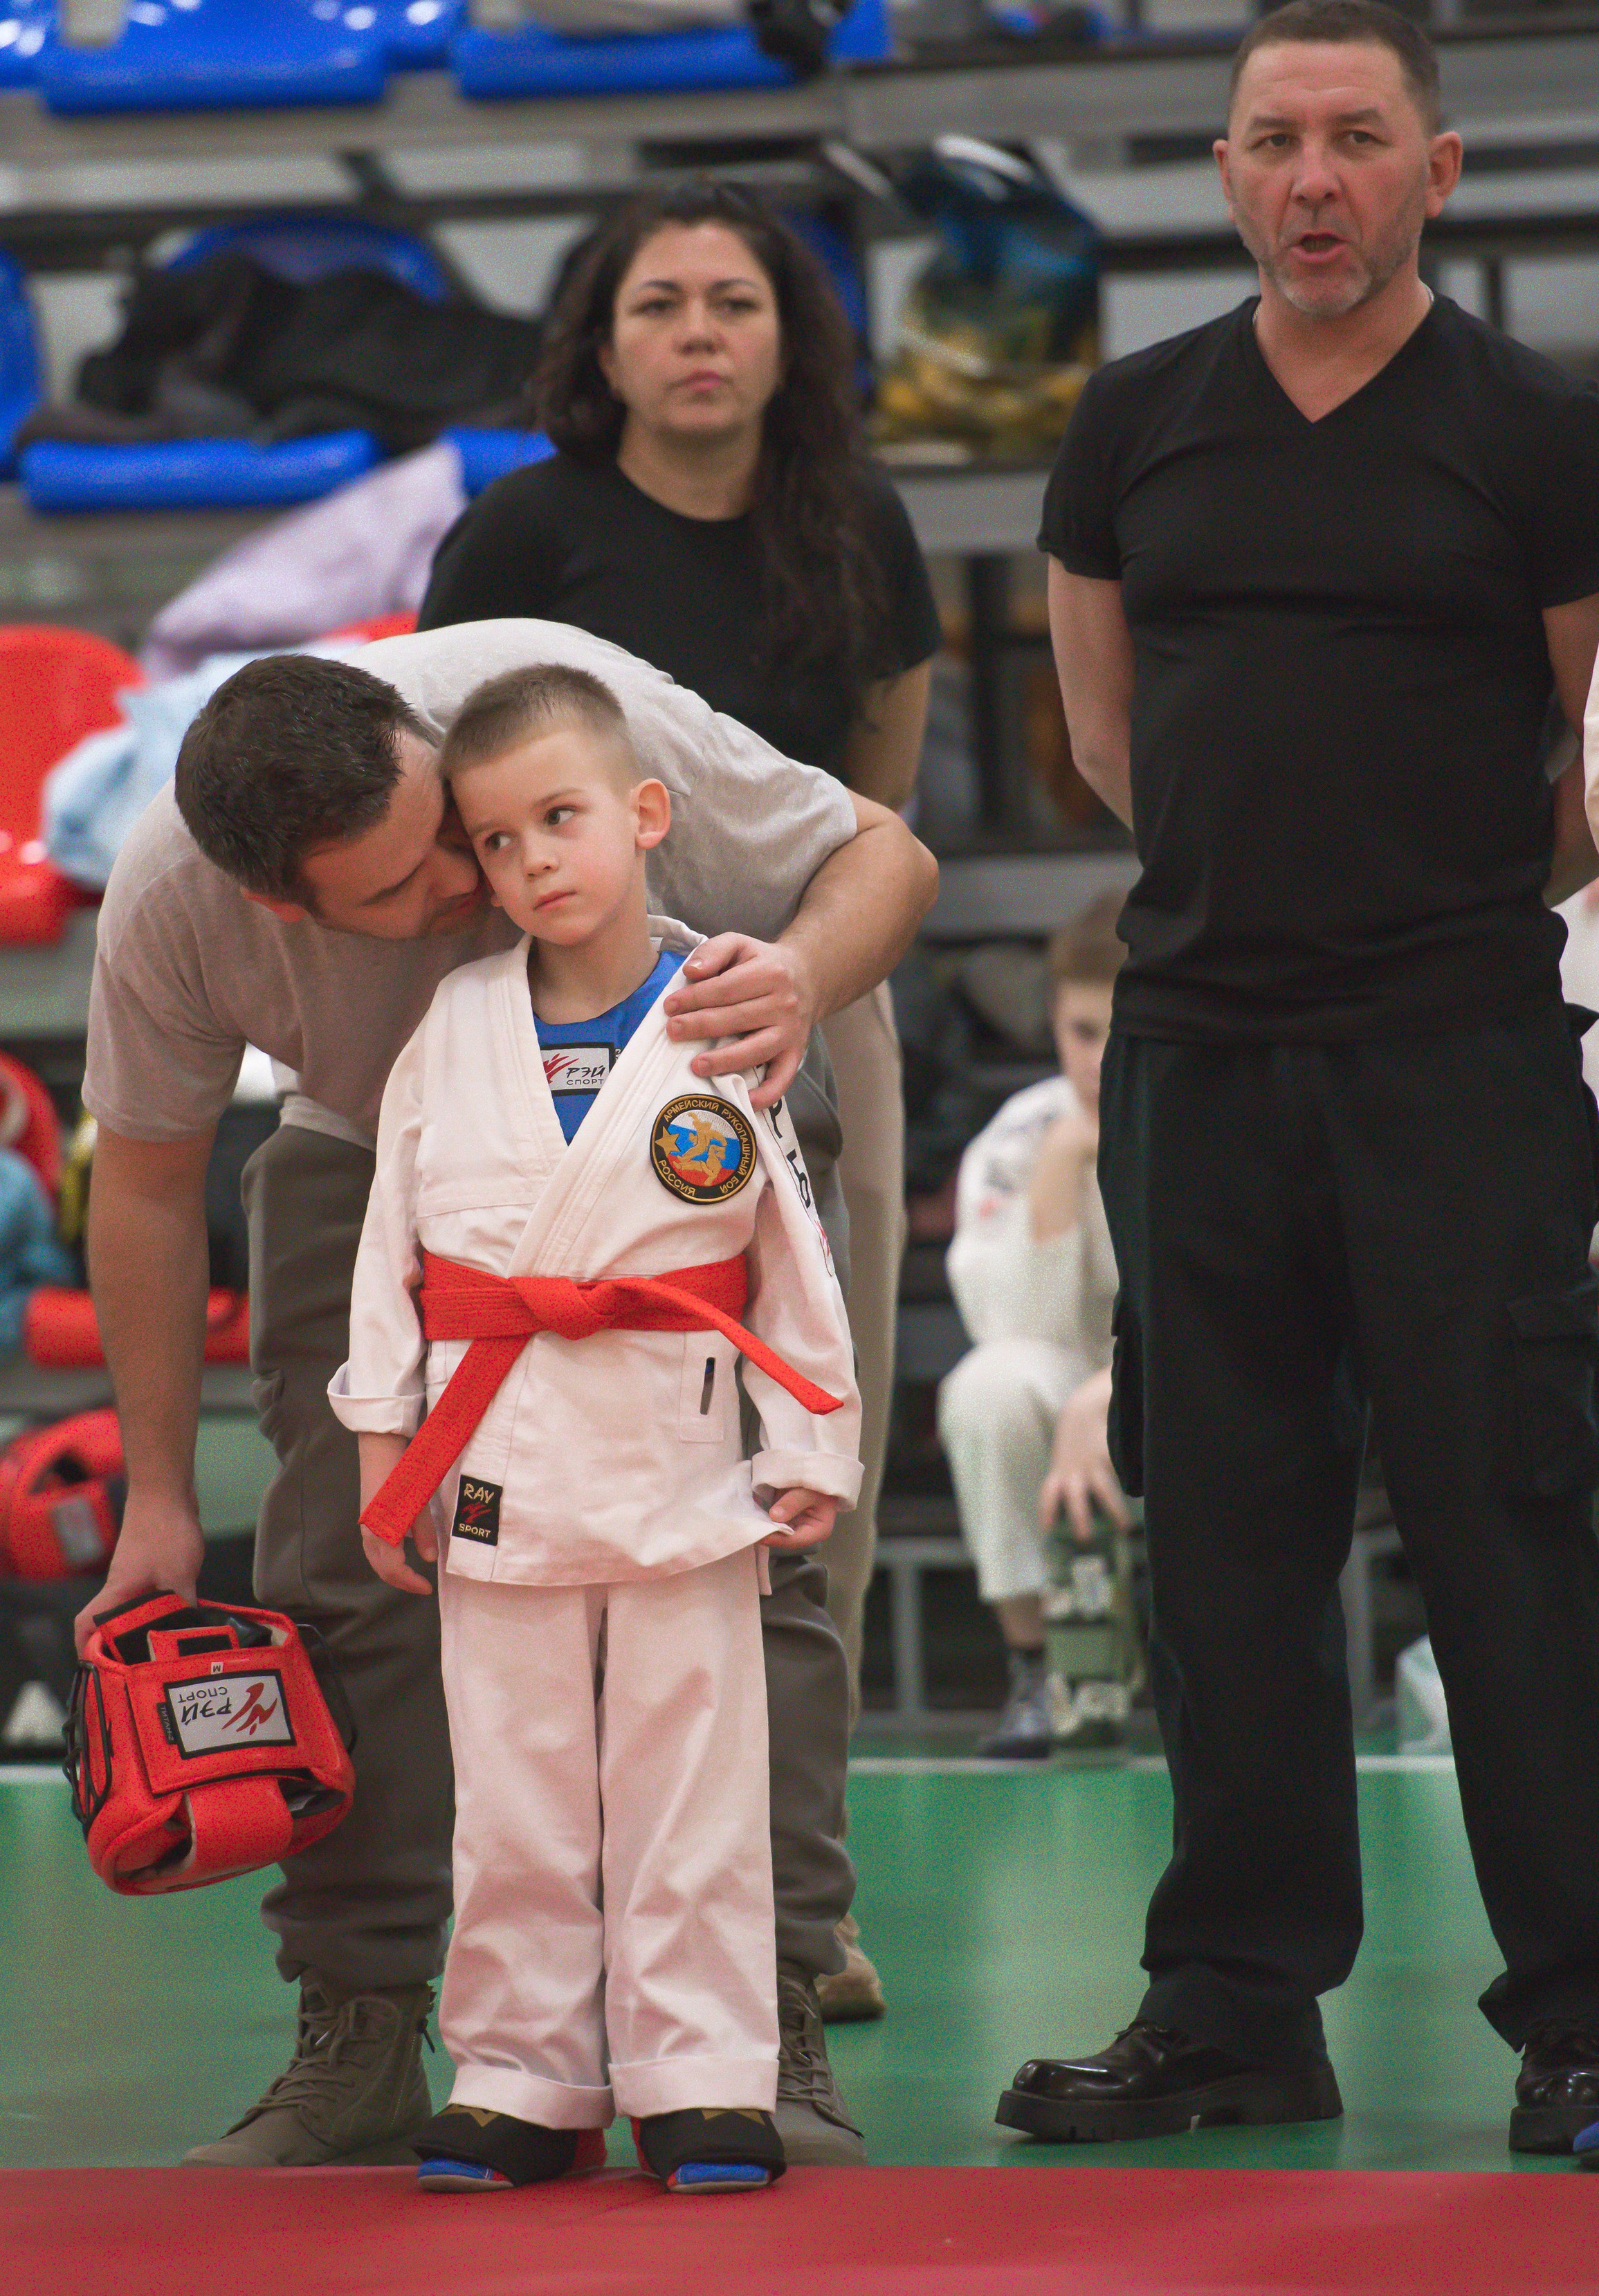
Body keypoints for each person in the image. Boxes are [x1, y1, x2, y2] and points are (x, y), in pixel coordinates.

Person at [71, 617, 936, 2170]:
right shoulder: (182, 905)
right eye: (407, 885)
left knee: (757, 1560)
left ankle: (771, 2004)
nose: (477, 884)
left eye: (454, 832)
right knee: (345, 1562)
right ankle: (363, 2014)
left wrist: (797, 974)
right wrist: (148, 1492)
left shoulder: (553, 710)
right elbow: (141, 1185)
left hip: (684, 1095)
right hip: (378, 1141)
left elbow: (883, 857)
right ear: (284, 904)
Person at [996, 0, 1599, 2156]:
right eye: (1272, 140)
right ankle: (1236, 2001)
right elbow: (1101, 735)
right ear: (1228, 171)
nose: (1311, 177)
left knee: (1508, 1523)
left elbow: (1583, 761)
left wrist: (1418, 908)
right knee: (1221, 1539)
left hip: (1454, 1054)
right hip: (1195, 1049)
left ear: (1435, 170)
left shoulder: (1528, 422)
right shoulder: (1135, 417)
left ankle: (1581, 2011)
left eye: (1356, 137)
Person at [419, 181, 941, 2021]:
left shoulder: (858, 521)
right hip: (560, 1050)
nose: (700, 331)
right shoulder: (523, 527)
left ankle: (799, 1911)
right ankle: (566, 1924)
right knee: (563, 1485)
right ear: (604, 339)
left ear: (791, 338)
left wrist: (805, 963)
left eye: (737, 300)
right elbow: (453, 777)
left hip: (791, 1009)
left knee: (812, 1465)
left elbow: (877, 787)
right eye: (661, 303)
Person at [333, 664, 863, 2194]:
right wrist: (383, 1441)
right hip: (494, 1461)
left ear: (644, 817)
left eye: (558, 820)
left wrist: (806, 1440)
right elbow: (391, 1250)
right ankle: (518, 2077)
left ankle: (700, 2076)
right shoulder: (454, 1025)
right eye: (494, 843)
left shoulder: (720, 1008)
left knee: (690, 1789)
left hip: (684, 1458)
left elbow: (787, 1247)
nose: (531, 864)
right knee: (510, 1797)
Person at [939, 893, 1126, 1760]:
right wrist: (1061, 1165)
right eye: (1082, 1032)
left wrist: (1121, 1382)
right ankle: (1035, 1666)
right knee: (989, 1388)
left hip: (1195, 1382)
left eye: (1122, 1033)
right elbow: (1009, 1329)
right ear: (1053, 1019)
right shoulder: (1018, 1136)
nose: (1099, 1060)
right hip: (1064, 1395)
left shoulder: (1219, 1116)